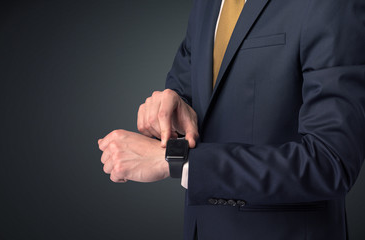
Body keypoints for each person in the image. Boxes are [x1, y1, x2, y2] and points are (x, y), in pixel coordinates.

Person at [98, 0, 365, 239]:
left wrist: (180, 162)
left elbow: (332, 162)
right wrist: (168, 108)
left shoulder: (331, 4)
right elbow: (188, 91)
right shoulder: (206, 5)